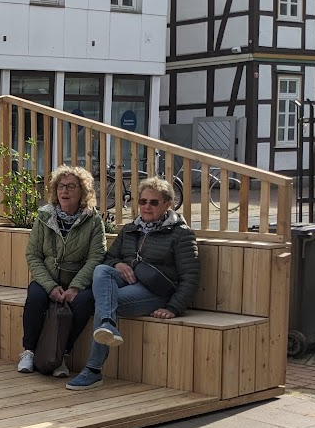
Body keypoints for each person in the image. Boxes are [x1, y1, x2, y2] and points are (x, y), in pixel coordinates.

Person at [67, 177, 200, 390]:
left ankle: (93, 368)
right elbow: (107, 258)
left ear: (168, 204)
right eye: (143, 201)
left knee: (106, 302)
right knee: (102, 271)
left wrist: (173, 307)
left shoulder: (180, 234)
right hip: (128, 282)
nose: (146, 207)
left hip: (156, 292)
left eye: (154, 202)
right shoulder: (130, 229)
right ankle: (108, 326)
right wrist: (118, 264)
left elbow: (190, 275)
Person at [18, 166, 105, 377]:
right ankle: (28, 351)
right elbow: (33, 255)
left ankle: (60, 355)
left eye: (71, 186)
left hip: (77, 281)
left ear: (83, 192)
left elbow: (97, 257)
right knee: (36, 296)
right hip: (47, 278)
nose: (64, 191)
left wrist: (76, 286)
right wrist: (50, 286)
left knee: (85, 301)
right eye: (61, 186)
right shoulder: (44, 217)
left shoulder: (94, 221)